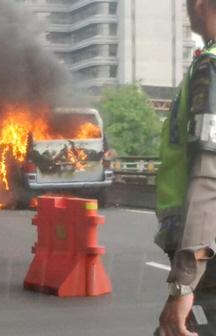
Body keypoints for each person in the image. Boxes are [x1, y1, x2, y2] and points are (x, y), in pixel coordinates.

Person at [155, 0, 216, 335]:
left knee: (173, 328)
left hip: (207, 255)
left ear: (199, 5)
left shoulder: (210, 67)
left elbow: (208, 181)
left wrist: (183, 285)